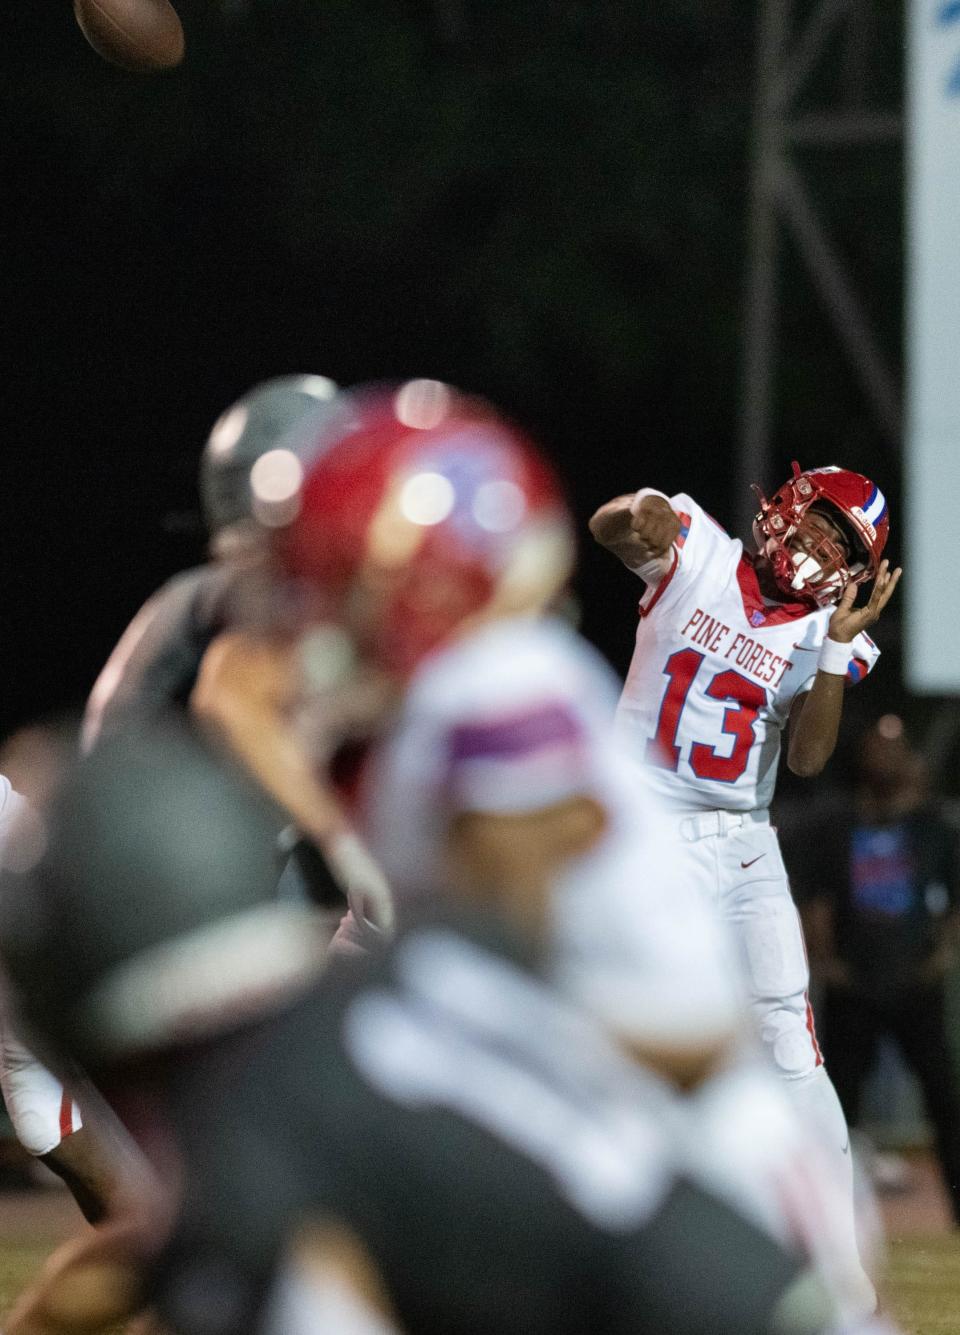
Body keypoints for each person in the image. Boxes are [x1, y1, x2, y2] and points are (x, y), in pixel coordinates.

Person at [191, 382, 881, 1318]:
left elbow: (805, 757)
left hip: (728, 842)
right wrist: (639, 517)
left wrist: (836, 653)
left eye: (842, 548)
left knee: (779, 1052)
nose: (817, 551)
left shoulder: (526, 696)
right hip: (640, 815)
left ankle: (835, 1271)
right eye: (820, 527)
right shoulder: (696, 551)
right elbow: (621, 530)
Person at [0, 707, 896, 1334]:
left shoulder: (252, 1122)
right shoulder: (420, 956)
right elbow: (678, 1047)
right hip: (778, 1239)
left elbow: (202, 1269)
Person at [791, 714, 960, 1224]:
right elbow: (816, 896)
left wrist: (944, 954)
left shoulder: (931, 823)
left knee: (945, 1102)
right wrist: (826, 962)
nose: (883, 758)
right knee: (837, 1102)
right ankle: (831, 1217)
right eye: (875, 747)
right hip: (854, 983)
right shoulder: (838, 822)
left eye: (894, 748)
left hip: (915, 983)